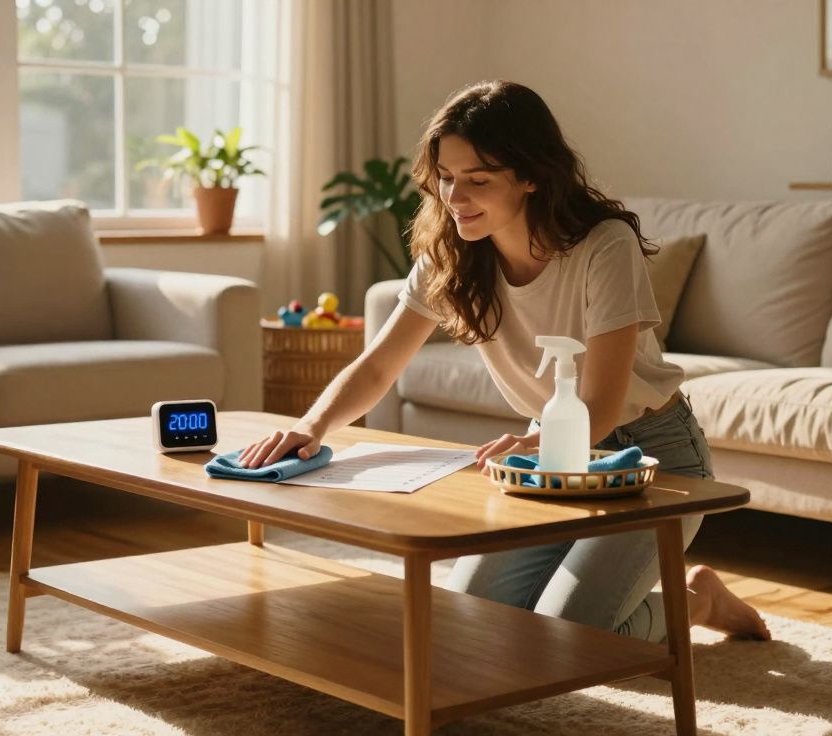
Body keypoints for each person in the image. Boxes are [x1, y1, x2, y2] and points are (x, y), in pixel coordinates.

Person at [239, 80, 769, 643]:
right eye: (446, 177)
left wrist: (534, 445)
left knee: (572, 633)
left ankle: (698, 601)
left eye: (478, 180)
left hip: (651, 459)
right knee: (473, 621)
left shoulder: (604, 246)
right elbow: (377, 367)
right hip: (550, 454)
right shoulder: (451, 254)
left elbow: (602, 402)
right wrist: (311, 425)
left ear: (531, 175)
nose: (455, 196)